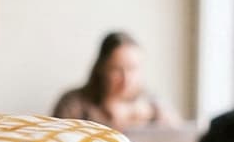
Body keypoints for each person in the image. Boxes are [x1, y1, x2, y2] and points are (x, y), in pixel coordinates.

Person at [52, 31, 184, 131]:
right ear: (101, 68)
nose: (126, 78)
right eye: (116, 69)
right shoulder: (73, 104)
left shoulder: (155, 106)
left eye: (132, 69)